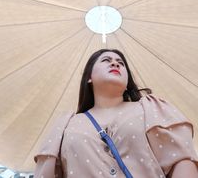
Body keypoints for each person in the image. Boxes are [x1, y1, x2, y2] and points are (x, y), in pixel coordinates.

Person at [34, 49, 198, 178]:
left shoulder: (151, 108)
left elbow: (181, 162)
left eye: (121, 63)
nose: (115, 64)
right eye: (106, 60)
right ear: (89, 78)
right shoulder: (66, 125)